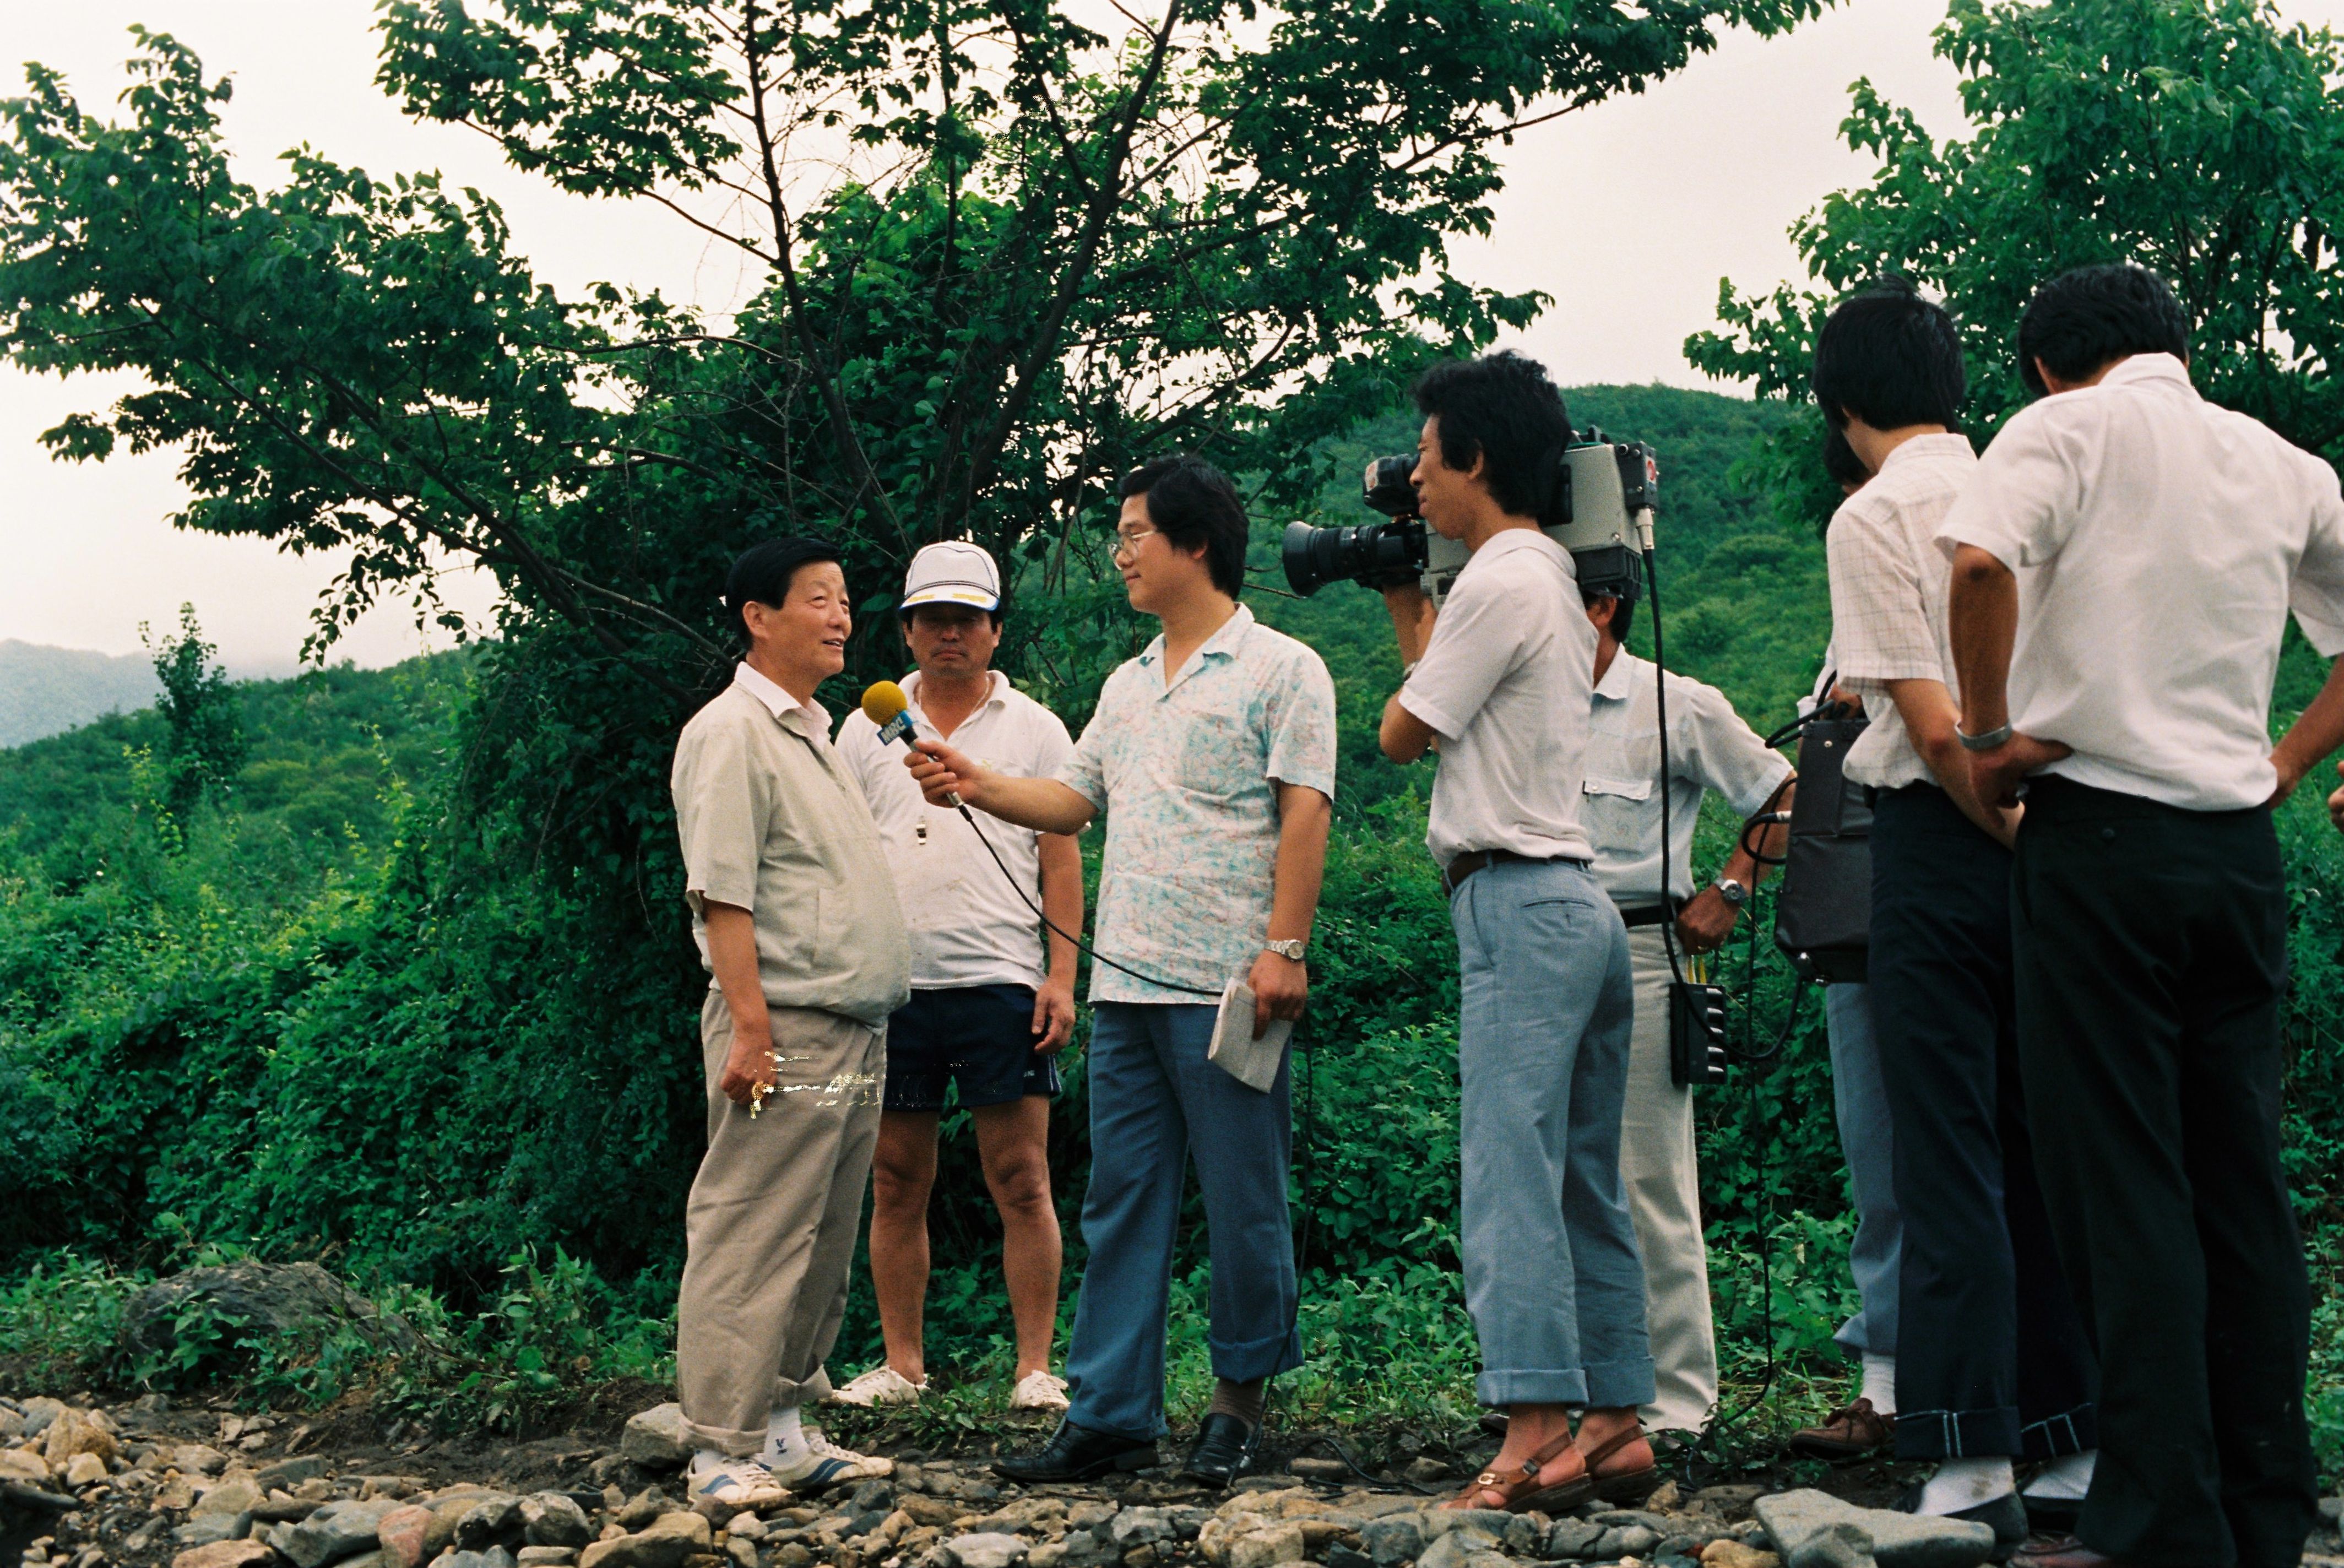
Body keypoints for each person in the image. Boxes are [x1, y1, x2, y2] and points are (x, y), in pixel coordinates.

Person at [1940, 262, 2344, 1568]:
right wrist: (2282, 764)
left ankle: (2161, 1518)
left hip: (2099, 835)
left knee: (2122, 1180)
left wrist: (1991, 733)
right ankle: (2264, 1505)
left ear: (2051, 365)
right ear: (2173, 342)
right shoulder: (2278, 460)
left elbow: (1982, 559)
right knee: (2238, 1179)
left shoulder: (2061, 428)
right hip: (2235, 852)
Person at [906, 455, 1336, 1487]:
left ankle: (1237, 1407)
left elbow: (1306, 808)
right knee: (1121, 1201)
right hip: (1128, 989)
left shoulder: (1283, 667)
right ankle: (1110, 1414)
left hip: (1230, 986)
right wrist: (974, 783)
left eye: (1136, 530)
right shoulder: (1129, 681)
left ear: (1195, 543)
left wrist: (1285, 950)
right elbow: (1072, 801)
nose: (1121, 550)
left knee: (1243, 1199)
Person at [1815, 280, 2095, 1547]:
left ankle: (1965, 1454)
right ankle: (2069, 1443)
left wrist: (2000, 830)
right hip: (2064, 826)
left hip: (1944, 840)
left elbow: (1931, 733)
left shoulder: (1874, 513)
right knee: (2043, 1148)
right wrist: (2047, 847)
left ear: (1842, 405)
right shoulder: (2023, 487)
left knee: (1946, 1152)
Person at [1376, 350, 1656, 1512]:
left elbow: (1404, 729)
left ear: (1476, 457)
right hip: (1579, 898)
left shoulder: (1494, 580)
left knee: (1508, 1171)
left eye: (1429, 460)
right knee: (1584, 1174)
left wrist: (1412, 608)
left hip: (1514, 899)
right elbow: (1451, 709)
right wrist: (1413, 604)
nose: (1417, 486)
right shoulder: (1546, 577)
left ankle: (1534, 1425)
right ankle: (1614, 1422)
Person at [667, 536, 908, 1503]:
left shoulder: (815, 727)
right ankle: (716, 1450)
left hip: (851, 1024)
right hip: (787, 1025)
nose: (841, 615)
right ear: (758, 617)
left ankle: (783, 1431)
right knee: (753, 1226)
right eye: (818, 599)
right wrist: (754, 1029)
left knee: (822, 1230)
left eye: (845, 599)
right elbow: (723, 895)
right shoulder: (729, 731)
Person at [829, 541, 1082, 1414]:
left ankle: (1035, 1369)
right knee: (896, 1178)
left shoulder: (1037, 727)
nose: (950, 633)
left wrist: (1061, 973)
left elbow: (1060, 854)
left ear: (995, 629)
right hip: (891, 985)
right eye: (932, 617)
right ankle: (903, 1366)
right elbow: (839, 851)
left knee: (1021, 1176)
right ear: (905, 628)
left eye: (966, 618)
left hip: (1001, 977)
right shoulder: (863, 727)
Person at [1576, 576, 1792, 1439]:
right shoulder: (1520, 699)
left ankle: (1674, 1404)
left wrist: (1731, 887)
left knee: (1648, 1177)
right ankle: (1571, 1393)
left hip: (1642, 944)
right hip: (1537, 946)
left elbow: (1783, 792)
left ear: (1601, 604)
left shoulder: (1675, 702)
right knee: (1545, 1174)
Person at [1788, 432, 1906, 1463]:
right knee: (1877, 1150)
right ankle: (1887, 1381)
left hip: (1925, 896)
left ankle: (1937, 1385)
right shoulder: (1843, 620)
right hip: (1861, 916)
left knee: (1938, 1148)